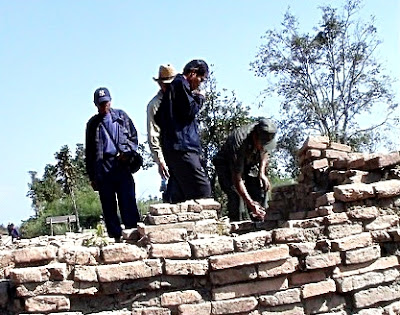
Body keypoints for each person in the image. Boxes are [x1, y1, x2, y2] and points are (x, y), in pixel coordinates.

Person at [85, 87, 141, 242]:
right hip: (103, 168)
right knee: (108, 206)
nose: (104, 106)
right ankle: (115, 238)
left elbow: (133, 138)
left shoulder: (122, 116)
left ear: (110, 101)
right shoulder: (92, 124)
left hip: (122, 165)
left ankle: (134, 235)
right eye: (101, 104)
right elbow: (89, 153)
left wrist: (127, 153)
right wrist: (92, 176)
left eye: (106, 103)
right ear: (96, 104)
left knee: (128, 201)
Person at [155, 59, 211, 203]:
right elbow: (190, 110)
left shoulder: (174, 90)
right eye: (201, 79)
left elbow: (159, 117)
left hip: (176, 147)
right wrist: (200, 98)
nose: (200, 84)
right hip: (183, 148)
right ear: (193, 73)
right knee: (202, 190)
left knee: (182, 194)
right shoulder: (180, 84)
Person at [213, 118, 277, 221]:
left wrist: (262, 173)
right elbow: (237, 179)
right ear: (255, 137)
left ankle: (258, 221)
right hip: (226, 164)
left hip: (248, 162)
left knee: (258, 187)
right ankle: (236, 227)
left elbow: (265, 152)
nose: (262, 147)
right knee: (236, 196)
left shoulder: (263, 139)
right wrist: (250, 203)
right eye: (262, 144)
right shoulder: (239, 141)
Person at [146, 64, 177, 201]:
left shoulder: (182, 99)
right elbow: (153, 135)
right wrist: (160, 161)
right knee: (171, 193)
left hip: (186, 153)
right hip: (168, 153)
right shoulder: (154, 105)